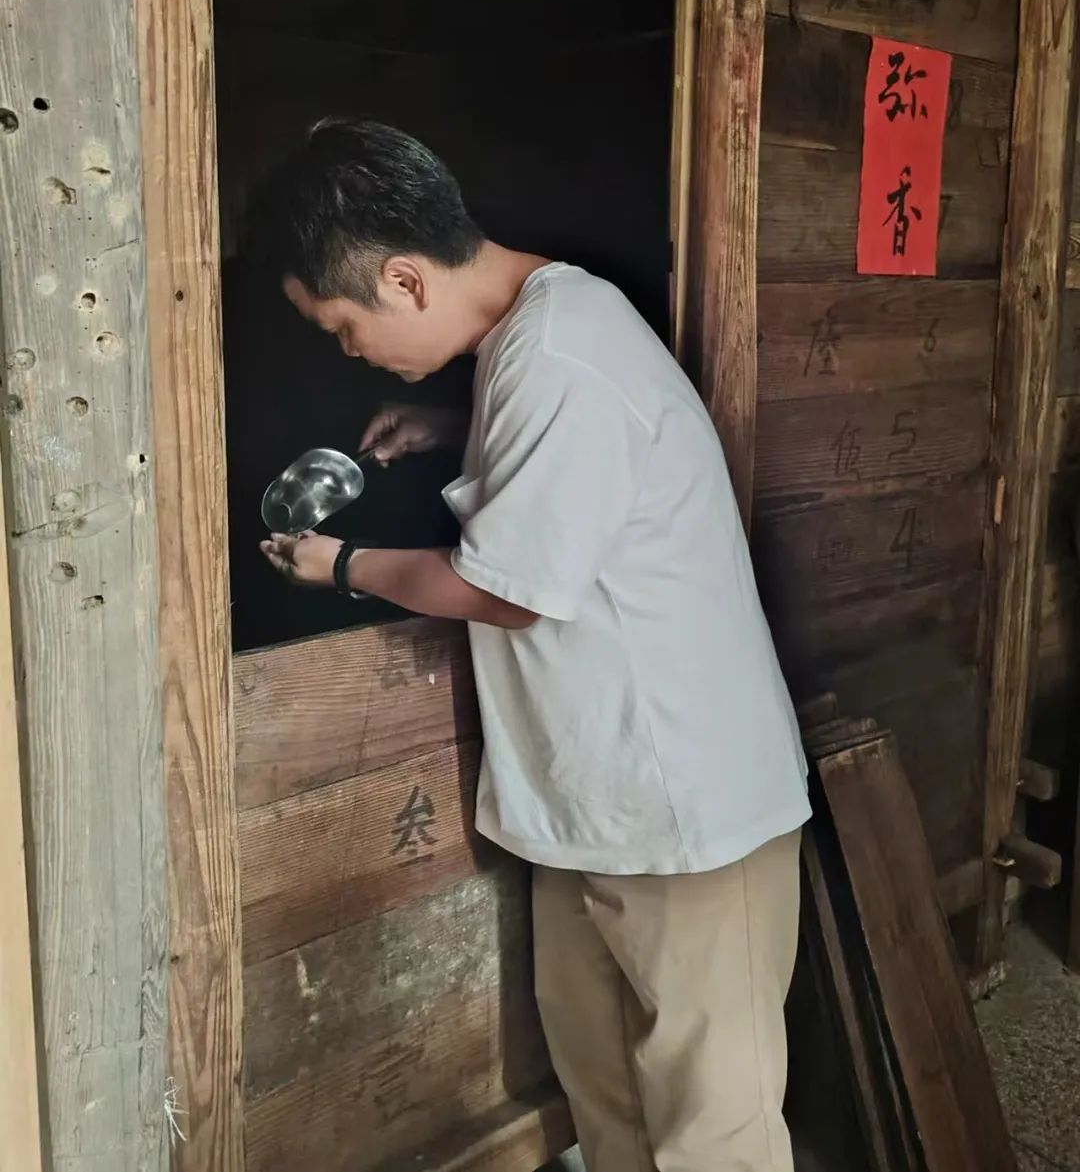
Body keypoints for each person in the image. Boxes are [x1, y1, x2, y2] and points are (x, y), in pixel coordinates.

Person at [255, 118, 811, 1172]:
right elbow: (568, 467)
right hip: (598, 804)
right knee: (610, 1104)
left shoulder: (560, 352)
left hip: (687, 813)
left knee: (714, 1133)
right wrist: (454, 427)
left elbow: (501, 591)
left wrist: (343, 563)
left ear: (405, 280)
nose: (350, 351)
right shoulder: (534, 337)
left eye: (342, 326)